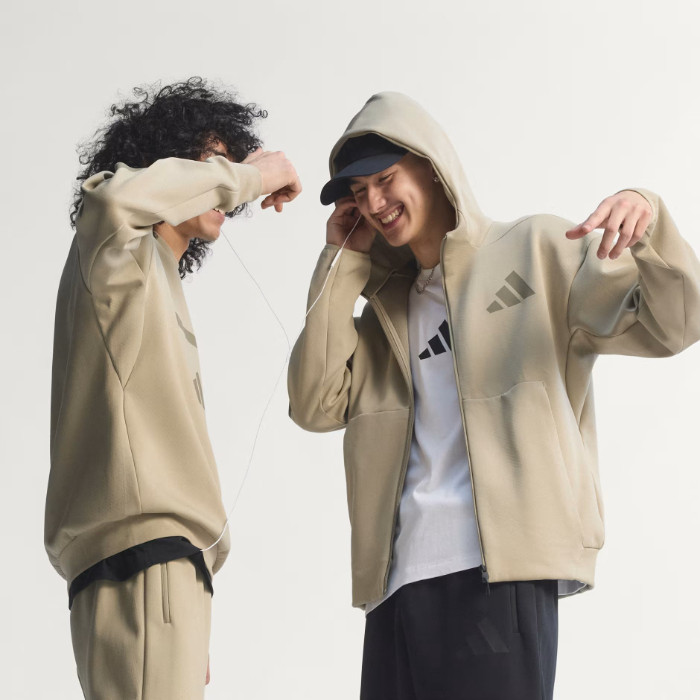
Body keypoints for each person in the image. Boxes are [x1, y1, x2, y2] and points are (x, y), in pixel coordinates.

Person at [287, 91, 700, 699]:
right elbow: (313, 403)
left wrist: (648, 216)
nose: (373, 203)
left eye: (385, 179)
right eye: (358, 192)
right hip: (394, 587)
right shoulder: (382, 315)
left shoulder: (537, 249)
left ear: (432, 167)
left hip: (498, 573)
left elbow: (676, 325)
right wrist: (340, 260)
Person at [46, 77, 301, 700]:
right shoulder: (118, 252)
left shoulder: (154, 274)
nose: (222, 181)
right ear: (162, 166)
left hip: (162, 566)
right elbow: (114, 200)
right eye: (209, 162)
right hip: (143, 559)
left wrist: (189, 586)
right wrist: (254, 175)